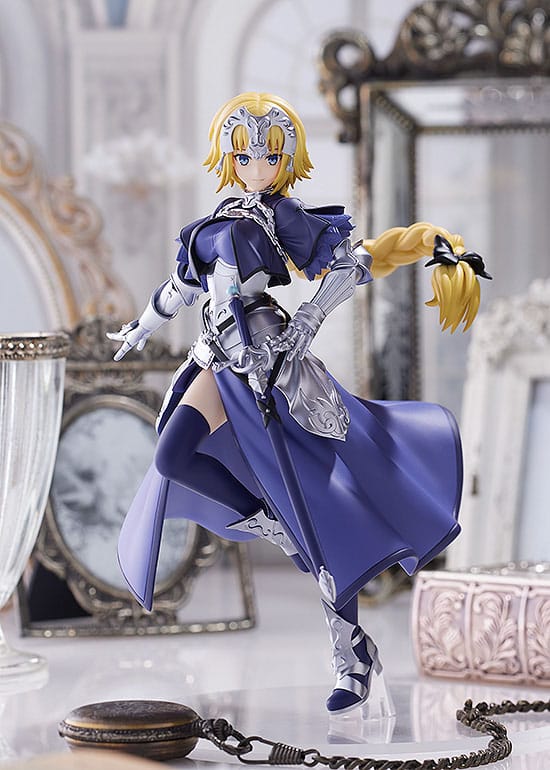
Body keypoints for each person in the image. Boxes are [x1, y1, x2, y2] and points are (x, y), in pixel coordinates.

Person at [108, 92, 490, 715]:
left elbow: (348, 265)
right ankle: (267, 519)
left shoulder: (282, 216)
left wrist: (308, 321)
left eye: (270, 155)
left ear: (286, 159)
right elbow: (181, 286)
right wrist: (141, 326)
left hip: (272, 360)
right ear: (229, 158)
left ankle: (352, 654)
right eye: (245, 155)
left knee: (320, 508)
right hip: (216, 359)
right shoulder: (220, 217)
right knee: (173, 455)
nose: (257, 165)